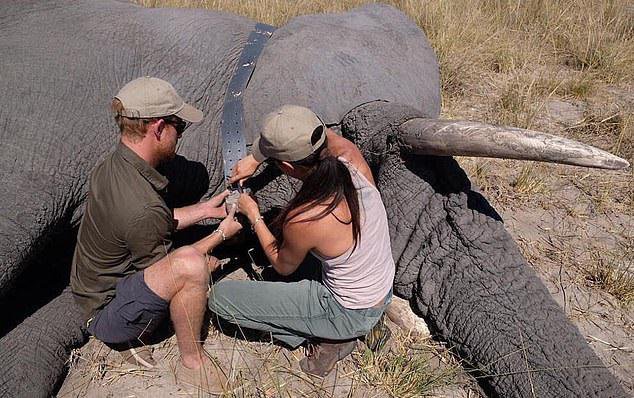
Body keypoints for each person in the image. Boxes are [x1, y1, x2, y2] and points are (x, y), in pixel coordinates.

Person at [70, 77, 242, 393]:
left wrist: (204, 210)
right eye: (180, 126)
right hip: (108, 312)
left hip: (93, 287)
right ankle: (192, 363)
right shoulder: (141, 206)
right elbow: (177, 266)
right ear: (158, 128)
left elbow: (153, 222)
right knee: (195, 268)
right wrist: (221, 233)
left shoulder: (116, 165)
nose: (180, 136)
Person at [208, 105, 395, 377]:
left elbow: (282, 265)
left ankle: (331, 337)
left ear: (286, 167)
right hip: (381, 291)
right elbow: (312, 127)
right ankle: (352, 326)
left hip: (346, 310)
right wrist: (255, 158)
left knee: (220, 299)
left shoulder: (307, 218)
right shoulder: (350, 156)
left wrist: (254, 215)